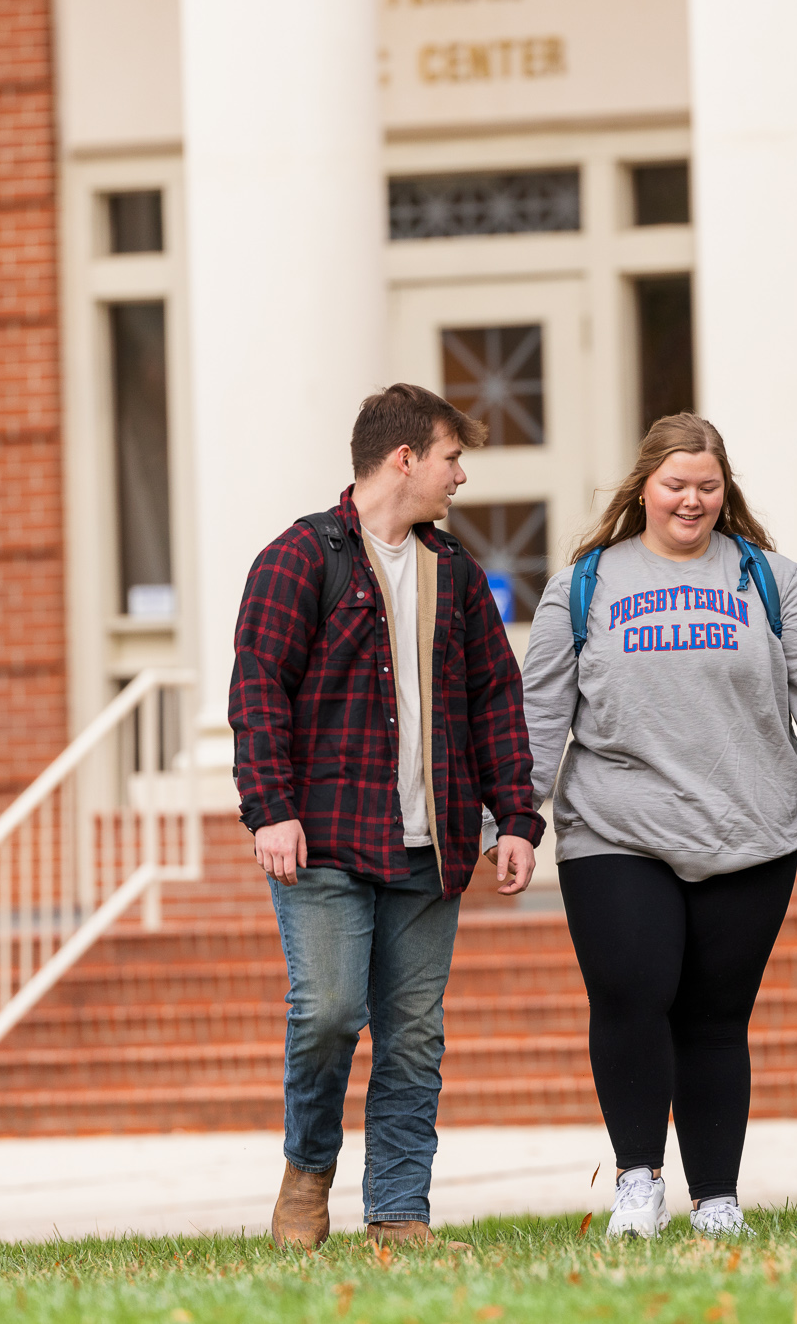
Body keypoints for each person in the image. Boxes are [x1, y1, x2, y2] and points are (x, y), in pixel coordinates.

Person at [521, 413, 797, 1239]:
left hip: (749, 824)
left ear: (726, 492)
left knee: (717, 1016)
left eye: (708, 486)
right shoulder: (585, 583)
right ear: (644, 488)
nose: (691, 501)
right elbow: (541, 713)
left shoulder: (771, 579)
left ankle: (717, 1197)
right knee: (632, 996)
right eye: (676, 485)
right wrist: (516, 819)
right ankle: (639, 1183)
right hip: (618, 827)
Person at [230, 383, 543, 1250]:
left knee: (411, 1037)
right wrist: (271, 811)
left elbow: (495, 701)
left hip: (430, 845)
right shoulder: (300, 558)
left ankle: (399, 1211)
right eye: (452, 457)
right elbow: (258, 694)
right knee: (328, 1013)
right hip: (324, 840)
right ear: (405, 458)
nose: (462, 476)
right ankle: (308, 1171)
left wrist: (515, 815)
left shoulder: (455, 573)